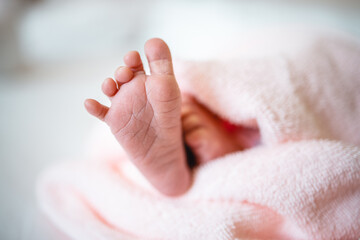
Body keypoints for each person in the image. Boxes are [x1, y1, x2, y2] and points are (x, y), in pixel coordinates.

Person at [84, 38, 245, 196]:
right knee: (192, 96)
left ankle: (200, 152)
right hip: (206, 116)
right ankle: (183, 147)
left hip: (231, 129)